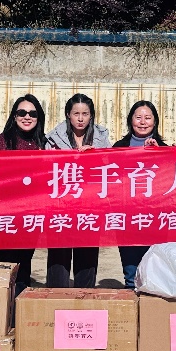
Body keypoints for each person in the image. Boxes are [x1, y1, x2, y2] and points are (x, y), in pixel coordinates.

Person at [45, 94, 110, 288]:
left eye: (85, 114)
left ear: (91, 116)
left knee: (87, 257)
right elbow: (46, 169)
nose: (81, 119)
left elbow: (111, 168)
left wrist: (96, 156)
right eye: (76, 114)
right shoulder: (53, 139)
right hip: (60, 207)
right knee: (59, 257)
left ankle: (85, 296)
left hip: (90, 207)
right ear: (68, 114)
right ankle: (56, 297)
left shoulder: (102, 139)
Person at [0, 95, 47, 292]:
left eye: (32, 113)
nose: (27, 117)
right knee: (7, 264)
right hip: (7, 215)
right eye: (22, 112)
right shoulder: (2, 141)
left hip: (31, 215)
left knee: (25, 262)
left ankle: (21, 304)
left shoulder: (44, 143)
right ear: (14, 116)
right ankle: (5, 305)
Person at [114, 100, 168, 287]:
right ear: (131, 120)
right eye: (138, 117)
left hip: (155, 219)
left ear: (155, 121)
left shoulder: (165, 149)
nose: (143, 122)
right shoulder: (118, 147)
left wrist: (158, 153)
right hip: (127, 218)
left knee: (155, 271)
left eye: (147, 118)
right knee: (131, 272)